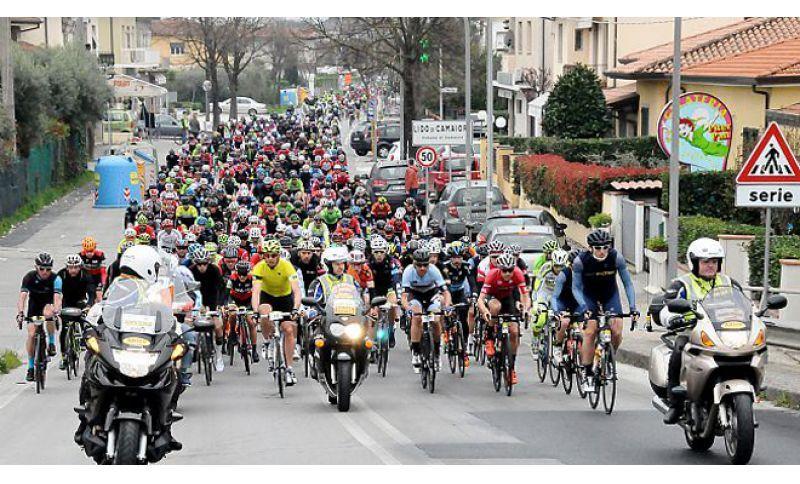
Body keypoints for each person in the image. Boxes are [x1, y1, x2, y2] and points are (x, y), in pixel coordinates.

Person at [658, 238, 731, 424]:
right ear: (694, 262)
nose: (710, 266)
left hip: (722, 333)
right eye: (706, 262)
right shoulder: (682, 284)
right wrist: (672, 318)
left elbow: (745, 304)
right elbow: (666, 307)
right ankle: (674, 401)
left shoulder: (728, 283)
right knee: (678, 349)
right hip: (691, 331)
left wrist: (755, 314)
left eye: (714, 262)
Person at [572, 229, 638, 393]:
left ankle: (609, 357)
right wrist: (584, 308)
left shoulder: (616, 258)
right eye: (598, 248)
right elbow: (576, 288)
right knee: (590, 331)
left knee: (616, 330)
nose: (602, 251)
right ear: (590, 248)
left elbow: (628, 283)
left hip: (610, 296)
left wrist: (633, 308)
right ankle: (587, 374)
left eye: (605, 247)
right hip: (589, 297)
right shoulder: (581, 261)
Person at [251, 239, 302, 385]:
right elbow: (256, 292)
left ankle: (289, 367)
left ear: (278, 255)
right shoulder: (259, 267)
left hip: (285, 298)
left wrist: (295, 308)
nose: (270, 259)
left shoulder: (287, 266)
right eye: (266, 256)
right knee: (264, 311)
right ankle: (268, 342)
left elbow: (297, 291)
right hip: (267, 297)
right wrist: (255, 311)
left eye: (273, 255)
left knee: (288, 329)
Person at [477, 253, 529, 385]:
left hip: (508, 298)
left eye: (510, 270)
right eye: (504, 271)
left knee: (514, 332)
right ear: (499, 269)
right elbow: (480, 300)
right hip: (493, 296)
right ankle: (489, 337)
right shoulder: (492, 275)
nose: (507, 273)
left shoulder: (517, 273)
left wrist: (526, 309)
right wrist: (485, 312)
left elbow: (524, 295)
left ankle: (511, 367)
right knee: (495, 307)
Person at [401, 247, 451, 373]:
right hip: (415, 295)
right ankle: (416, 352)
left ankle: (437, 353)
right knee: (416, 317)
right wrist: (407, 309)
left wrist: (447, 306)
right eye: (419, 265)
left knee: (435, 319)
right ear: (414, 264)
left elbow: (445, 292)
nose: (422, 268)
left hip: (431, 294)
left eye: (425, 265)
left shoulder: (434, 270)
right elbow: (404, 297)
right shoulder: (408, 272)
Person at [17, 253, 62, 382]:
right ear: (36, 268)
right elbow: (22, 297)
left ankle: (52, 342)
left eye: (48, 269)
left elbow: (57, 298)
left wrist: (56, 310)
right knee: (31, 334)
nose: (45, 272)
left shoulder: (56, 279)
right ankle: (31, 367)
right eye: (42, 269)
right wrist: (20, 313)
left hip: (48, 304)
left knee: (49, 314)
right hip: (34, 307)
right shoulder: (29, 277)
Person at [56, 254, 97, 370]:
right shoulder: (61, 275)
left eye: (76, 267)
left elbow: (91, 292)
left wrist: (89, 305)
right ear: (66, 267)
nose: (73, 270)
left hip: (80, 301)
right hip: (66, 301)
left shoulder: (86, 275)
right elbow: (55, 292)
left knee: (85, 321)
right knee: (64, 328)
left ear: (80, 267)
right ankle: (64, 356)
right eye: (70, 267)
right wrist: (56, 306)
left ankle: (83, 342)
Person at [189, 248, 226, 372]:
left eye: (204, 264)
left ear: (208, 262)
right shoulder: (191, 271)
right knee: (190, 324)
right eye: (199, 264)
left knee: (217, 326)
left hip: (212, 298)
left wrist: (219, 305)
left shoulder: (214, 270)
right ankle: (194, 349)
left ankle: (219, 356)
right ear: (195, 263)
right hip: (197, 298)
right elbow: (187, 291)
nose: (202, 267)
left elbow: (221, 289)